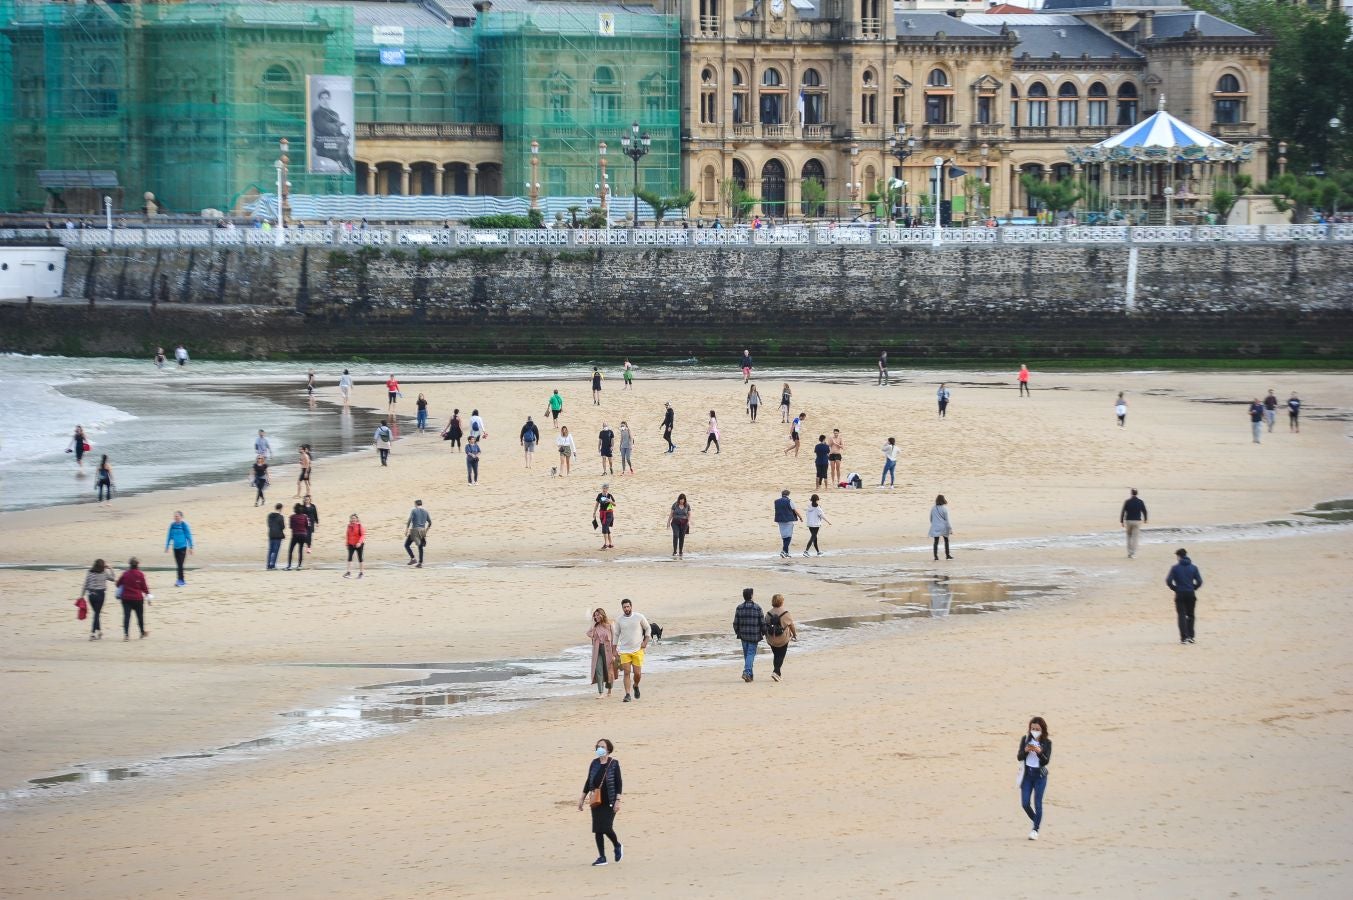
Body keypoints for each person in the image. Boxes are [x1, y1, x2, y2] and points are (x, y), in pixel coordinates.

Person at [578, 738, 623, 866]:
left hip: (610, 800)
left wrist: (618, 800)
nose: (599, 748)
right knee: (598, 829)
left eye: (602, 746)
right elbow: (588, 781)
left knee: (606, 827)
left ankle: (617, 845)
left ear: (608, 748)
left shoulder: (614, 763)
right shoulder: (594, 763)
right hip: (596, 800)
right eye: (598, 746)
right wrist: (582, 798)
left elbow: (619, 783)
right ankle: (602, 857)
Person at [1017, 716, 1052, 840]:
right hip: (1027, 776)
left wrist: (1039, 752)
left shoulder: (1047, 743)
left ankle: (1035, 829)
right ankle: (1036, 820)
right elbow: (1019, 757)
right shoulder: (1025, 739)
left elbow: (1046, 761)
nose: (1034, 730)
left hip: (1040, 776)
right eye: (1032, 728)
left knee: (1038, 803)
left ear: (1042, 730)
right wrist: (1026, 750)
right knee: (1025, 803)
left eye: (1037, 729)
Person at [612, 598, 650, 702]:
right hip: (624, 650)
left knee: (637, 674)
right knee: (627, 672)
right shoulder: (619, 620)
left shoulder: (639, 617)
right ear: (622, 608)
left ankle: (636, 685)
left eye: (628, 606)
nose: (626, 609)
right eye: (624, 607)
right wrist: (614, 650)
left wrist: (645, 641)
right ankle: (627, 694)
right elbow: (616, 635)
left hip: (638, 649)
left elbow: (648, 628)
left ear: (631, 606)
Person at [1166, 547, 1203, 644]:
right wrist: (1193, 587)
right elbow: (1199, 581)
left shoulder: (1175, 568)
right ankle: (1191, 636)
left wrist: (1175, 589)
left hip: (1180, 594)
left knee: (1181, 615)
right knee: (1191, 615)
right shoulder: (1194, 567)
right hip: (1190, 593)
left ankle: (1184, 637)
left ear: (1179, 557)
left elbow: (1168, 581)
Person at [764, 593, 798, 681]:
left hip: (772, 638)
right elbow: (792, 626)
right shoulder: (786, 613)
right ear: (782, 602)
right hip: (783, 638)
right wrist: (794, 635)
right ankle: (776, 672)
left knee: (776, 655)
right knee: (781, 655)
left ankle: (777, 673)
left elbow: (765, 626)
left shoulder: (768, 614)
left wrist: (765, 635)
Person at [115, 558, 150, 640]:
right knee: (140, 616)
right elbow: (144, 587)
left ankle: (126, 635)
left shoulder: (125, 574)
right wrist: (148, 596)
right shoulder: (140, 574)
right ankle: (142, 632)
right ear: (137, 565)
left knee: (127, 616)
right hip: (138, 599)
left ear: (130, 565)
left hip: (126, 598)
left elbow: (117, 584)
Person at [733, 588, 764, 682]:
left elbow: (735, 623)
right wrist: (764, 632)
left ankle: (750, 675)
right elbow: (762, 622)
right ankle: (746, 672)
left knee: (747, 655)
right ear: (751, 596)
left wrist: (738, 632)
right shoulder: (757, 608)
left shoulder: (739, 608)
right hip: (754, 636)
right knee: (750, 654)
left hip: (743, 635)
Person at [81, 558, 116, 640]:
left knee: (96, 613)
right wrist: (110, 568)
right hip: (100, 594)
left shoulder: (90, 572)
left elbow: (85, 584)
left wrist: (82, 596)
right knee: (96, 614)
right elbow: (113, 578)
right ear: (103, 566)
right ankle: (92, 633)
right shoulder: (104, 573)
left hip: (91, 595)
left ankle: (99, 631)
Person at [586, 609, 618, 698]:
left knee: (609, 670)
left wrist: (614, 654)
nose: (596, 617)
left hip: (608, 650)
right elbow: (589, 633)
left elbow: (614, 640)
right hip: (597, 650)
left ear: (602, 615)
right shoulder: (595, 626)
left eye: (598, 615)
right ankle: (601, 693)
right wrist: (593, 623)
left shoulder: (610, 625)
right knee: (598, 670)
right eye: (595, 616)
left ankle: (609, 690)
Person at [164, 511, 194, 587]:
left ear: (181, 517)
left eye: (177, 516)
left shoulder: (184, 525)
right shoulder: (172, 525)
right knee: (178, 565)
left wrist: (191, 547)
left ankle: (181, 581)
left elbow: (189, 536)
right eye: (175, 516)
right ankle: (180, 580)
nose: (176, 517)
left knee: (180, 564)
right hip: (175, 548)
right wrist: (167, 546)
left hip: (183, 547)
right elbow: (169, 536)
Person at [1120, 488, 1148, 559]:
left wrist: (1121, 521)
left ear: (1131, 493)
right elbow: (1144, 511)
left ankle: (1129, 552)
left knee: (1129, 537)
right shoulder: (1140, 501)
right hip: (1137, 521)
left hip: (1128, 520)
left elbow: (1123, 511)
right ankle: (1133, 553)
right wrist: (1145, 519)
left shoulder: (1127, 501)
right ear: (1137, 493)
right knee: (1135, 538)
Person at [774, 489, 801, 558]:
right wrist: (800, 517)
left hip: (780, 520)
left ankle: (786, 552)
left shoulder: (776, 501)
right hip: (788, 520)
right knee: (788, 536)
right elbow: (794, 510)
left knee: (784, 536)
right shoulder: (789, 501)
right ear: (788, 494)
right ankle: (783, 551)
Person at [405, 499, 431, 567]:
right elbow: (430, 522)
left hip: (415, 530)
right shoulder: (426, 511)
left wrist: (407, 529)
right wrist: (426, 531)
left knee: (406, 545)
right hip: (422, 530)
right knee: (420, 547)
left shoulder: (414, 510)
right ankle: (420, 563)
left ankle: (413, 558)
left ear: (416, 504)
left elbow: (409, 520)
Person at [286, 503, 310, 570]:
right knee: (300, 550)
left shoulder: (292, 517)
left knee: (291, 550)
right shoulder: (305, 516)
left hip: (295, 534)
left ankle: (289, 566)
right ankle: (299, 565)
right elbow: (307, 526)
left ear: (294, 509)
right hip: (303, 535)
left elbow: (291, 526)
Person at [929, 494, 953, 560]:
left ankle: (935, 556)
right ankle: (947, 555)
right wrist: (950, 528)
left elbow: (931, 518)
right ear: (943, 500)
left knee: (936, 542)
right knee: (946, 540)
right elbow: (947, 520)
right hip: (943, 527)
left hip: (935, 527)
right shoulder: (944, 509)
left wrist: (934, 524)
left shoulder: (933, 508)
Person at [667, 493, 691, 558]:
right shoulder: (675, 505)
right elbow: (671, 514)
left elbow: (689, 514)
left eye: (683, 500)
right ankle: (675, 551)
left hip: (684, 523)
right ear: (679, 499)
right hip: (675, 522)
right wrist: (668, 522)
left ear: (685, 500)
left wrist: (688, 522)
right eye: (680, 500)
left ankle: (680, 551)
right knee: (676, 535)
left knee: (682, 537)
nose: (682, 501)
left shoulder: (687, 505)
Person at [594, 484, 616, 551]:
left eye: (606, 488)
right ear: (602, 488)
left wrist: (610, 501)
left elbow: (615, 504)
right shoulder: (599, 495)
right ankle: (611, 544)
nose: (605, 489)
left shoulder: (609, 496)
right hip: (602, 514)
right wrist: (594, 512)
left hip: (609, 514)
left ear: (607, 489)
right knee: (606, 528)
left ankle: (606, 544)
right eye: (604, 488)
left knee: (604, 527)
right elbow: (597, 505)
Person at [344, 513, 366, 578]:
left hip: (359, 545)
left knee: (360, 558)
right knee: (349, 558)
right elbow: (347, 535)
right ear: (350, 519)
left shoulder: (359, 526)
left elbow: (363, 535)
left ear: (357, 519)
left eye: (354, 518)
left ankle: (361, 573)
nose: (353, 519)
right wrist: (347, 543)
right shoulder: (349, 526)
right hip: (351, 544)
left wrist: (359, 542)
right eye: (352, 518)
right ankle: (348, 572)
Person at [266, 503, 286, 570]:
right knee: (275, 551)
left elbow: (269, 525)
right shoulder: (281, 517)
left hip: (271, 534)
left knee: (270, 550)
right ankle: (273, 565)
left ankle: (268, 565)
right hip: (278, 535)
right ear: (280, 509)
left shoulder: (269, 516)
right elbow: (283, 527)